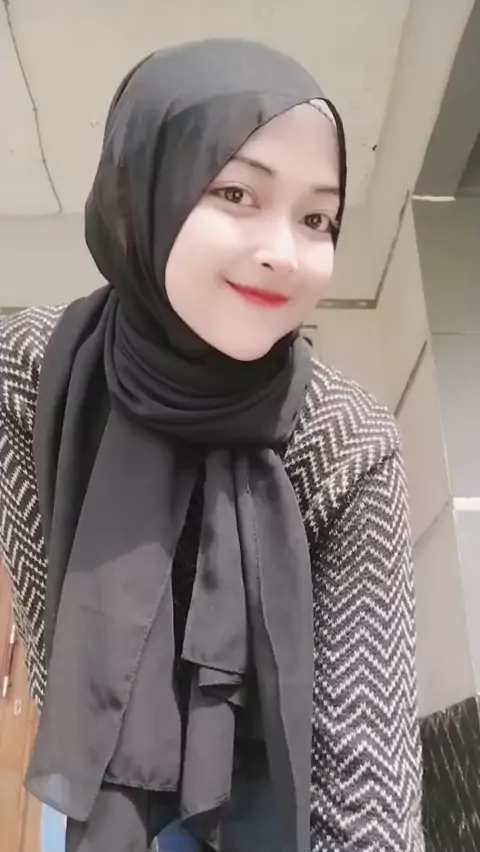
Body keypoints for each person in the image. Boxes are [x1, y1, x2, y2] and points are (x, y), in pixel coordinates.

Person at [0, 38, 424, 852]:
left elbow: (370, 782)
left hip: (277, 807)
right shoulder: (34, 372)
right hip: (96, 790)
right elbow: (55, 636)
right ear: (141, 189)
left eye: (317, 219)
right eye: (235, 192)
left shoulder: (345, 437)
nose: (283, 252)